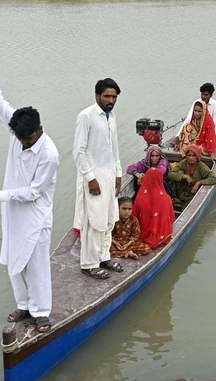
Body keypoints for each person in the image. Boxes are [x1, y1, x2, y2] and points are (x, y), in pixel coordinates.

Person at [0, 43, 59, 333]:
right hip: (13, 213)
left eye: (26, 139)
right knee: (15, 261)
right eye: (19, 138)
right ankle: (24, 305)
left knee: (36, 265)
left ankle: (41, 312)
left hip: (35, 216)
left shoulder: (49, 153)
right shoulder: (18, 130)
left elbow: (34, 192)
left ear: (38, 131)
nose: (22, 143)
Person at [72, 77, 125, 280]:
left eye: (114, 96)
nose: (111, 100)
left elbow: (115, 149)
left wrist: (119, 174)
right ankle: (89, 264)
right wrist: (90, 178)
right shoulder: (86, 116)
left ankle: (104, 257)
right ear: (97, 96)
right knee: (93, 221)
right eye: (107, 96)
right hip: (94, 177)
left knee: (109, 219)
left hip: (110, 174)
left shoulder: (111, 117)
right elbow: (79, 151)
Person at [180, 82, 216, 149]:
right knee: (187, 128)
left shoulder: (215, 105)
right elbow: (188, 119)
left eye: (206, 95)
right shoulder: (197, 103)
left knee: (214, 136)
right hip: (196, 129)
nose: (203, 97)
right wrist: (178, 136)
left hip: (209, 130)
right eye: (202, 94)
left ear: (211, 95)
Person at [133, 168, 175, 248]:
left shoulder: (140, 197)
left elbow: (134, 217)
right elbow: (172, 218)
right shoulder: (167, 198)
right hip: (164, 234)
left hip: (143, 235)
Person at [167, 145, 216, 211]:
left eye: (193, 156)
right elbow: (170, 174)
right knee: (179, 172)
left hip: (193, 194)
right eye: (189, 155)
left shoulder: (201, 166)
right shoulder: (183, 163)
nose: (191, 158)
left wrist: (199, 183)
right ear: (186, 156)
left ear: (197, 157)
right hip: (181, 192)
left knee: (186, 208)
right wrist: (184, 176)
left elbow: (213, 179)